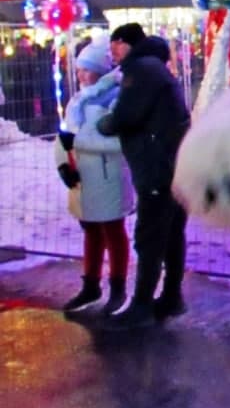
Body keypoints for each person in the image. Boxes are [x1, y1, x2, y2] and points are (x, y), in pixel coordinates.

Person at [96, 23, 190, 331]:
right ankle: (171, 297)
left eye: (115, 46)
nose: (113, 53)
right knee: (172, 233)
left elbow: (126, 115)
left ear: (127, 43)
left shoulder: (141, 70)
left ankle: (142, 305)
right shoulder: (157, 67)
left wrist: (105, 123)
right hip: (175, 163)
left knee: (149, 237)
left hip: (156, 167)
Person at [55, 38, 133, 316]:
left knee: (112, 230)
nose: (79, 75)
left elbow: (118, 141)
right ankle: (91, 283)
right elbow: (64, 136)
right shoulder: (78, 99)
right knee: (90, 230)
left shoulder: (117, 97)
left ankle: (118, 286)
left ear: (101, 70)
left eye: (85, 69)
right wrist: (63, 163)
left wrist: (78, 142)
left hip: (107, 174)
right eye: (78, 70)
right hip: (82, 177)